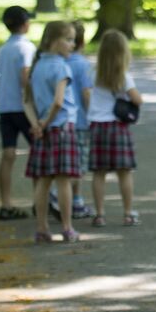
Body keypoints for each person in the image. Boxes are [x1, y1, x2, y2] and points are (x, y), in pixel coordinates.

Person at [25, 20, 82, 244]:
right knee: (63, 181)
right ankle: (67, 228)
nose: (72, 44)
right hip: (61, 127)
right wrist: (47, 122)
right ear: (54, 41)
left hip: (43, 129)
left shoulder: (37, 65)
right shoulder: (61, 67)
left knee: (43, 180)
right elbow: (58, 102)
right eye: (68, 40)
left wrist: (36, 124)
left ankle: (41, 228)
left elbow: (26, 101)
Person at [88, 29, 142, 227]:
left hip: (97, 126)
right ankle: (127, 212)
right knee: (124, 171)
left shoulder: (94, 74)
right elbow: (137, 99)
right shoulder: (124, 76)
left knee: (99, 172)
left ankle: (100, 214)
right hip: (117, 127)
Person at [0, 6, 37, 220]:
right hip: (23, 108)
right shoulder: (26, 48)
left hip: (5, 107)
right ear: (24, 24)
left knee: (8, 155)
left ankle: (6, 203)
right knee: (39, 152)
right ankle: (40, 201)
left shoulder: (3, 49)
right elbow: (26, 77)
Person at [64, 20, 95, 220]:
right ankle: (75, 200)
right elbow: (86, 93)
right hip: (81, 121)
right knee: (78, 165)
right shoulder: (83, 65)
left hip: (62, 122)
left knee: (65, 162)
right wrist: (92, 115)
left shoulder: (60, 61)